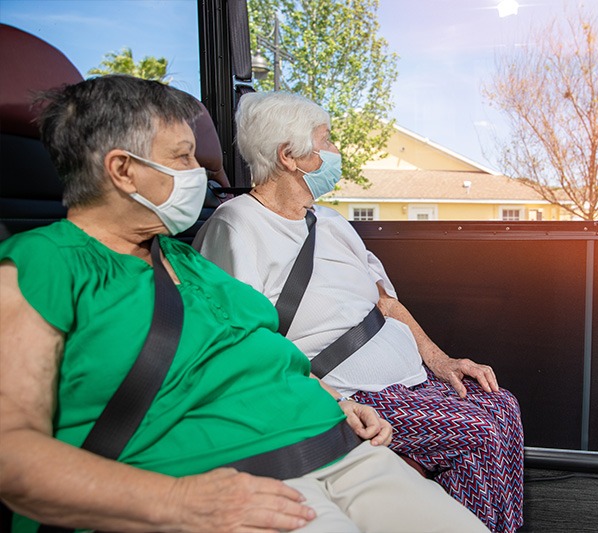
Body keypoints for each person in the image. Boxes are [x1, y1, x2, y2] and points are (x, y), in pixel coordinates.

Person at [0, 75, 490, 533]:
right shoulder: (41, 264)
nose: (202, 176)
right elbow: (11, 454)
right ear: (124, 170)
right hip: (239, 480)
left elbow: (266, 353)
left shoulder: (182, 262)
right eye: (183, 158)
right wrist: (181, 501)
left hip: (342, 447)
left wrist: (336, 401)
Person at [193, 91, 525, 533]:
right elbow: (245, 340)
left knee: (500, 404)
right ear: (290, 155)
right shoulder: (236, 225)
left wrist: (442, 361)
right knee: (481, 430)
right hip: (347, 390)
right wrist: (330, 400)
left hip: (409, 381)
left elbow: (385, 302)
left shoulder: (331, 222)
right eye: (325, 140)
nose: (336, 152)